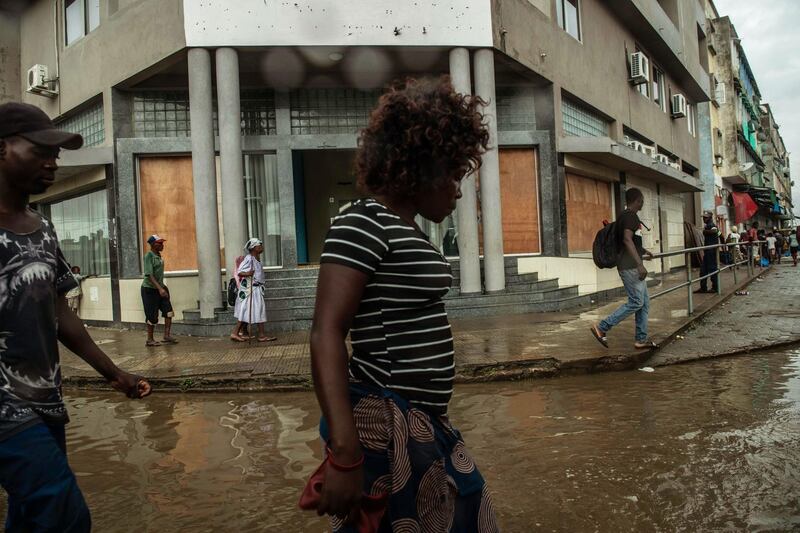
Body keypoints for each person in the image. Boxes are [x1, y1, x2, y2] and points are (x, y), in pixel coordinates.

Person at [308, 77, 498, 532]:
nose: (457, 189)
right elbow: (326, 332)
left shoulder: (408, 229)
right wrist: (345, 452)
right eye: (452, 173)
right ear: (423, 165)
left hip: (424, 422)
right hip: (383, 425)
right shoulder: (363, 221)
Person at [0, 101, 152, 531]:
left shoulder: (41, 226)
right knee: (64, 513)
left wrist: (113, 372)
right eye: (40, 151)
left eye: (56, 154)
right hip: (5, 409)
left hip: (45, 401)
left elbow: (58, 311)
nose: (53, 163)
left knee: (31, 516)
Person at [591, 187, 656, 349]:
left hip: (631, 265)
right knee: (636, 302)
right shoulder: (630, 217)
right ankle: (602, 327)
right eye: (642, 201)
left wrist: (644, 251)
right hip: (630, 267)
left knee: (644, 304)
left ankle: (641, 339)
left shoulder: (625, 217)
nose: (643, 203)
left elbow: (630, 241)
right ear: (638, 200)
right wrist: (640, 264)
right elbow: (627, 240)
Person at [233, 238, 276, 342]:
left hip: (256, 289)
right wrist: (248, 273)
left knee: (258, 310)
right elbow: (240, 272)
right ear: (253, 248)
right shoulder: (249, 258)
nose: (261, 247)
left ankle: (252, 334)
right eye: (259, 245)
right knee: (249, 311)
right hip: (251, 290)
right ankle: (236, 333)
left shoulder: (256, 258)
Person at [141, 234, 177, 346]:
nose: (162, 245)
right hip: (149, 290)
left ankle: (166, 335)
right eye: (159, 243)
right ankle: (149, 339)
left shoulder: (159, 256)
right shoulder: (149, 256)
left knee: (169, 311)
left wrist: (163, 288)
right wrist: (160, 289)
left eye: (162, 243)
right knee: (152, 315)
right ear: (152, 244)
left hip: (160, 287)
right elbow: (149, 275)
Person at [696, 210, 721, 293]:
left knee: (712, 269)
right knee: (703, 270)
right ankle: (703, 287)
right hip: (708, 251)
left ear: (710, 218)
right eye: (703, 217)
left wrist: (705, 231)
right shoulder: (708, 225)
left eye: (705, 217)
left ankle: (715, 287)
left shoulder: (711, 225)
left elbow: (716, 231)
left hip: (711, 252)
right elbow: (720, 234)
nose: (704, 219)